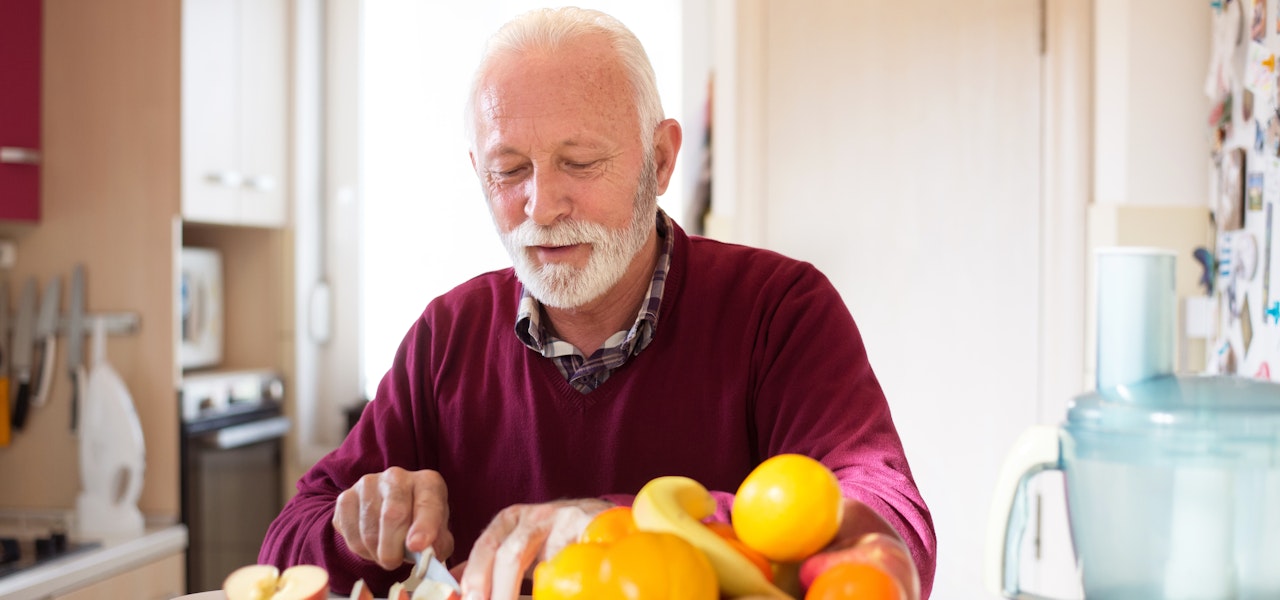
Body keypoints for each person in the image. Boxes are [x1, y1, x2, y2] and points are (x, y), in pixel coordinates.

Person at [259, 7, 936, 599]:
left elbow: (890, 528)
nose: (542, 206)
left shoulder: (781, 310)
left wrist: (612, 528)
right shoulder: (446, 336)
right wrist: (359, 529)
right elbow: (281, 549)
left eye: (580, 162)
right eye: (509, 170)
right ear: (477, 173)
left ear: (662, 160)